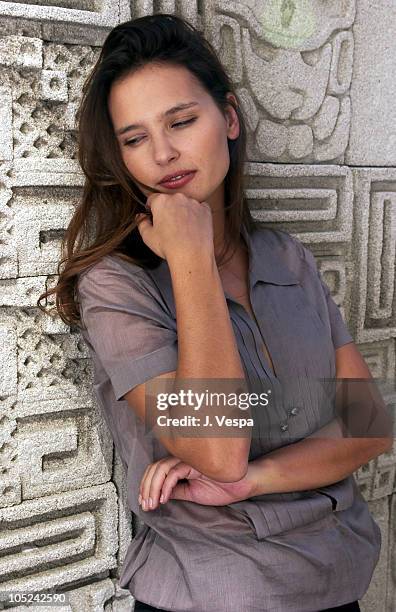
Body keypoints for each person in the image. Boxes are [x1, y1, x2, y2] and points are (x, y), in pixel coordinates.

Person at [37, 13, 393, 612]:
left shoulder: (288, 259)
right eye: (134, 139)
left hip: (338, 581)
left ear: (228, 117)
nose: (163, 153)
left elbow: (366, 426)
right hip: (211, 590)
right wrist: (190, 261)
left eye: (181, 120)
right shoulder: (117, 286)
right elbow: (219, 446)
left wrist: (252, 481)